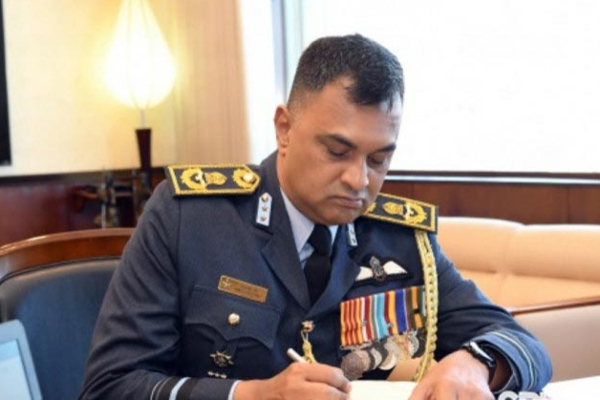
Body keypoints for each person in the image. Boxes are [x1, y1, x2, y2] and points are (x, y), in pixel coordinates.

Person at [79, 34, 552, 400]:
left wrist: (475, 362)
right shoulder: (191, 218)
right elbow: (111, 386)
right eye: (337, 151)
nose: (358, 180)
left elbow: (523, 344)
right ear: (284, 128)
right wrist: (251, 395)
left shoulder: (401, 239)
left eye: (379, 159)